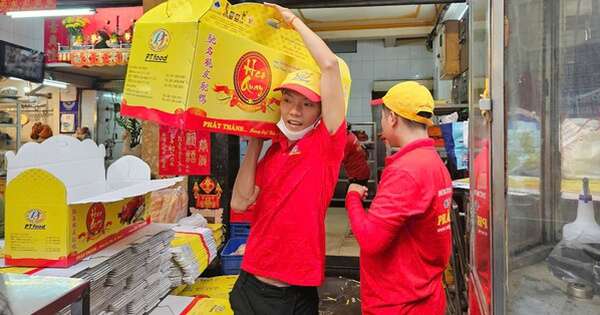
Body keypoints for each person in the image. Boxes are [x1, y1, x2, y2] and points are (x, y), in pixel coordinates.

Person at [228, 3, 347, 315]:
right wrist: (254, 141)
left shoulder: (326, 146)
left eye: (307, 105)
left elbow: (330, 66)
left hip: (290, 294)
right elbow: (239, 203)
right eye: (288, 101)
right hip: (249, 284)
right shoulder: (274, 149)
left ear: (320, 112)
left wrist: (293, 20)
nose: (294, 112)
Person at [345, 81, 453, 315]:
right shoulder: (433, 163)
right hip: (424, 294)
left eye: (384, 117)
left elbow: (370, 240)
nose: (382, 123)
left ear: (392, 118)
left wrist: (352, 198)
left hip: (399, 303)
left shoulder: (407, 170)